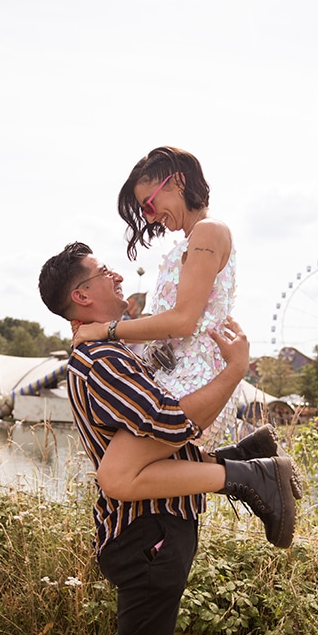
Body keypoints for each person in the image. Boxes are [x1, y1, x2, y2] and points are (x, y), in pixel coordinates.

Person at [38, 241, 297, 635]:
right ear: (82, 297)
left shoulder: (112, 349)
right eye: (105, 272)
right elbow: (169, 422)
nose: (118, 273)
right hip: (143, 533)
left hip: (158, 526)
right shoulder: (99, 360)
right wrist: (234, 371)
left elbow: (165, 441)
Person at [72, 146, 302, 502]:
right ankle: (244, 458)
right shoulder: (193, 241)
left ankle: (259, 474)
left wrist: (106, 330)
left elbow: (182, 321)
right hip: (175, 374)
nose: (149, 217)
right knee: (134, 467)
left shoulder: (209, 232)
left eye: (149, 204)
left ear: (176, 182)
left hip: (195, 377)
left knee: (117, 476)